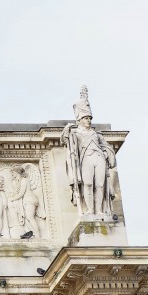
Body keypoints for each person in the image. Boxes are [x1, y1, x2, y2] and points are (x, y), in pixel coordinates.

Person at [62, 86, 116, 218]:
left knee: (100, 185)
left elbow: (107, 146)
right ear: (79, 119)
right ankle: (90, 210)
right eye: (86, 118)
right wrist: (66, 130)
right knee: (88, 183)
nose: (88, 120)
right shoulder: (75, 132)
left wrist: (105, 152)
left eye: (89, 118)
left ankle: (99, 211)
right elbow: (65, 141)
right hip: (86, 158)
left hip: (99, 158)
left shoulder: (96, 133)